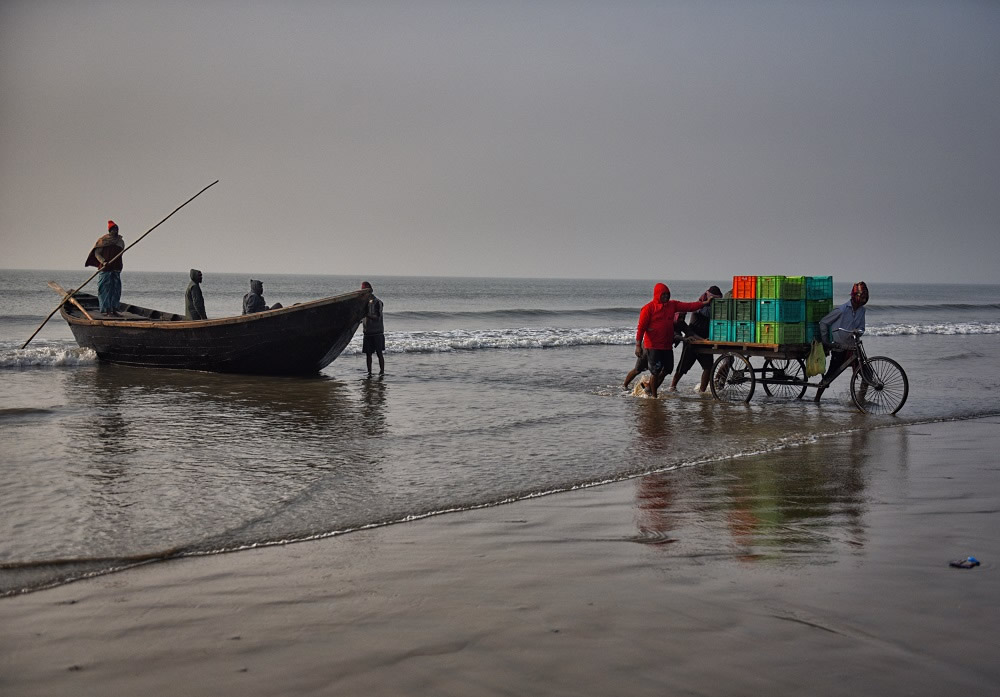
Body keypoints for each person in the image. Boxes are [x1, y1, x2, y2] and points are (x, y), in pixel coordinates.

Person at [624, 283, 711, 398]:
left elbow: (689, 306)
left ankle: (649, 389)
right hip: (652, 346)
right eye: (663, 294)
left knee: (668, 369)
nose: (666, 297)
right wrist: (638, 345)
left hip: (666, 346)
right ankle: (643, 392)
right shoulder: (648, 308)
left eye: (667, 294)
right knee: (643, 370)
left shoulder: (672, 305)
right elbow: (641, 328)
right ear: (657, 295)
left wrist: (705, 303)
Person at [814, 281, 869, 401]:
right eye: (862, 297)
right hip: (839, 347)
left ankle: (860, 400)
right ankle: (816, 399)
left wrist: (858, 331)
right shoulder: (842, 310)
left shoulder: (862, 311)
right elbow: (823, 323)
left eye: (865, 298)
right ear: (855, 296)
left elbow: (862, 328)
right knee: (830, 376)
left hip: (853, 347)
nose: (863, 300)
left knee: (867, 375)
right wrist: (825, 341)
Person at [669, 285, 723, 393]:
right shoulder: (700, 307)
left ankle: (702, 391)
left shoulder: (710, 308)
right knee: (683, 367)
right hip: (692, 341)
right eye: (715, 299)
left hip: (705, 342)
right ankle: (672, 387)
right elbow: (709, 313)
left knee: (708, 368)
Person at [84, 220, 125, 316]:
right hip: (105, 269)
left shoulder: (120, 242)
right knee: (104, 289)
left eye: (117, 229)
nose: (116, 231)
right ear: (110, 230)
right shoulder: (103, 240)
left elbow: (121, 253)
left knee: (115, 290)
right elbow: (97, 253)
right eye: (114, 229)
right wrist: (103, 261)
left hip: (116, 268)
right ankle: (106, 310)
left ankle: (114, 309)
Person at [361, 281, 385, 375]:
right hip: (367, 332)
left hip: (377, 332)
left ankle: (382, 372)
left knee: (379, 353)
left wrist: (366, 315)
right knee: (368, 354)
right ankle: (369, 372)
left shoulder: (377, 302)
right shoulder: (363, 303)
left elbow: (377, 317)